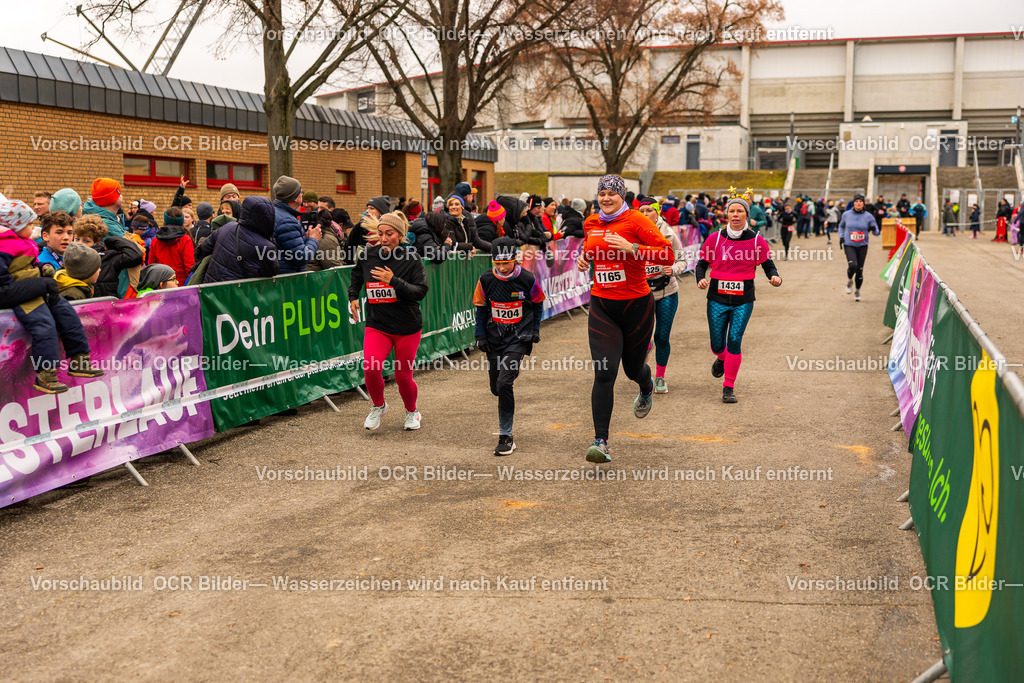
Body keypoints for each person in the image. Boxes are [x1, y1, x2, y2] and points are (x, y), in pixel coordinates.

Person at [574, 174, 674, 463]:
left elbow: (667, 254)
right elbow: (589, 252)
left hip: (636, 305)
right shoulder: (591, 221)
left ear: (623, 196)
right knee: (605, 373)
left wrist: (633, 249)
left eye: (612, 194)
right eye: (602, 193)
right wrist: (584, 260)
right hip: (602, 305)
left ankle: (646, 385)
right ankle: (600, 442)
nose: (606, 198)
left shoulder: (636, 221)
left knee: (632, 370)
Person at [0, 196, 102, 394]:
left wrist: (41, 268)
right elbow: (6, 284)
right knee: (44, 325)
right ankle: (46, 373)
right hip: (26, 296)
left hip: (35, 288)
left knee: (67, 313)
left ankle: (80, 358)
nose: (32, 228)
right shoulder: (4, 248)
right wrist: (40, 282)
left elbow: (24, 266)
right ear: (15, 226)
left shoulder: (21, 243)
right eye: (28, 224)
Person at [695, 196, 781, 404]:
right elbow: (701, 264)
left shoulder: (755, 240)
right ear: (726, 214)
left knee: (734, 340)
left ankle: (728, 386)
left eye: (740, 211)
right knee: (717, 344)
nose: (735, 214)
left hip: (743, 298)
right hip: (717, 297)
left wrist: (774, 276)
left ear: (746, 215)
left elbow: (767, 264)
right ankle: (721, 358)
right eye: (732, 211)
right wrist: (700, 279)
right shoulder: (715, 239)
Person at [348, 212, 428, 431]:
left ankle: (412, 412)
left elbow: (420, 291)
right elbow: (356, 276)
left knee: (403, 376)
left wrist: (393, 281)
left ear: (400, 235)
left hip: (407, 327)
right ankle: (378, 406)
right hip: (378, 325)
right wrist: (353, 296)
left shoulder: (412, 258)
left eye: (389, 234)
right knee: (371, 368)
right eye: (380, 233)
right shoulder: (368, 254)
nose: (383, 239)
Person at [473, 237, 546, 455]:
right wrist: (480, 335)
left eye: (507, 262)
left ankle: (506, 436)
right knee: (496, 388)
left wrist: (534, 330)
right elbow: (480, 308)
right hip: (494, 337)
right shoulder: (486, 279)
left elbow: (538, 302)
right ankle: (505, 375)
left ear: (515, 259)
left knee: (505, 383)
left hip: (518, 337)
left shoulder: (526, 278)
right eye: (498, 263)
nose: (503, 268)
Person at [637, 199, 687, 393]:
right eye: (641, 210)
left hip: (667, 291)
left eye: (649, 210)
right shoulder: (632, 232)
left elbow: (682, 260)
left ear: (657, 213)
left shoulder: (668, 234)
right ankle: (643, 370)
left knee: (662, 336)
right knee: (642, 336)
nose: (645, 213)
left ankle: (660, 377)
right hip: (641, 291)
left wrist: (672, 269)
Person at [196, 196, 279, 284]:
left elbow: (204, 248)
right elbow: (272, 271)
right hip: (237, 294)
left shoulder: (228, 226)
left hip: (211, 289)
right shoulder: (267, 246)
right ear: (269, 217)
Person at [72, 214, 144, 299]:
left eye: (86, 241)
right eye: (77, 239)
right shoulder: (71, 258)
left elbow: (135, 255)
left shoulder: (109, 257)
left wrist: (111, 240)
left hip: (106, 306)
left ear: (98, 242)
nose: (80, 244)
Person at [273, 175, 322, 274]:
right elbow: (300, 257)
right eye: (301, 192)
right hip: (287, 281)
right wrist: (313, 239)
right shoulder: (287, 221)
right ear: (295, 197)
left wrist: (306, 240)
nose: (302, 195)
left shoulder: (274, 212)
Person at [838, 193, 880, 302]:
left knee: (860, 270)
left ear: (863, 203)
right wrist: (841, 236)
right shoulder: (846, 215)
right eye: (856, 201)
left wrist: (873, 229)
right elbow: (841, 226)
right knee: (853, 265)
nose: (858, 203)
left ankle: (857, 291)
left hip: (862, 245)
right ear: (853, 203)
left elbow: (877, 232)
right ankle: (849, 281)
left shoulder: (868, 216)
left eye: (860, 201)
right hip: (849, 244)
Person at [148, 207, 195, 284]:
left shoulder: (155, 240)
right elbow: (189, 266)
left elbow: (152, 265)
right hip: (180, 284)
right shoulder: (185, 239)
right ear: (181, 221)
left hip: (161, 284)